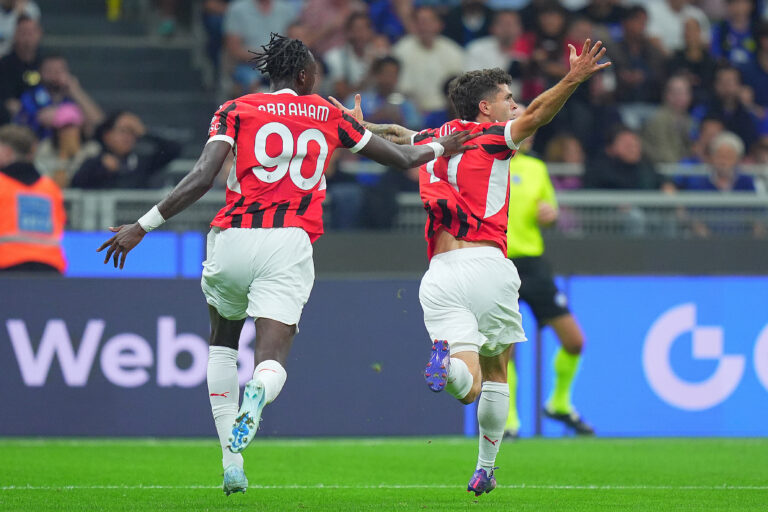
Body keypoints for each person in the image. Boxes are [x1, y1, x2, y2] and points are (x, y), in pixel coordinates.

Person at [96, 33, 478, 497]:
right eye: (314, 70)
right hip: (289, 243)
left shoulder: (235, 110)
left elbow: (200, 179)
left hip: (232, 238)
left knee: (222, 342)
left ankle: (230, 464)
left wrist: (141, 226)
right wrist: (445, 146)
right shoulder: (327, 112)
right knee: (271, 360)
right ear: (302, 75)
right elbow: (403, 158)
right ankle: (257, 391)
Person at [334, 38, 610, 495]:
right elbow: (540, 112)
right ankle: (485, 467)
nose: (515, 105)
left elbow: (398, 137)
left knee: (467, 384)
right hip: (487, 263)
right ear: (485, 108)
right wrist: (573, 78)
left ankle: (450, 369)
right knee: (497, 372)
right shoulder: (492, 138)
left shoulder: (433, 139)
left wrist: (359, 129)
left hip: (441, 271)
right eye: (507, 99)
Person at [503, 134, 594, 439]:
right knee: (505, 348)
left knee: (574, 340)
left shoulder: (536, 168)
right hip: (498, 264)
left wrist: (550, 216)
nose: (528, 134)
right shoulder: (486, 164)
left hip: (534, 263)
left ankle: (559, 403)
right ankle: (509, 420)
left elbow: (551, 214)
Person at [0, 124, 66, 274]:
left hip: (6, 266)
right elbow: (60, 224)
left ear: (7, 152)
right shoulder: (50, 188)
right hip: (50, 267)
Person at [70, 111, 181, 189]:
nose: (128, 137)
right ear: (107, 135)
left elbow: (174, 149)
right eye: (123, 131)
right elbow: (75, 183)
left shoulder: (142, 163)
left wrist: (145, 131)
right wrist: (99, 167)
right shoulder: (93, 159)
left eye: (133, 132)